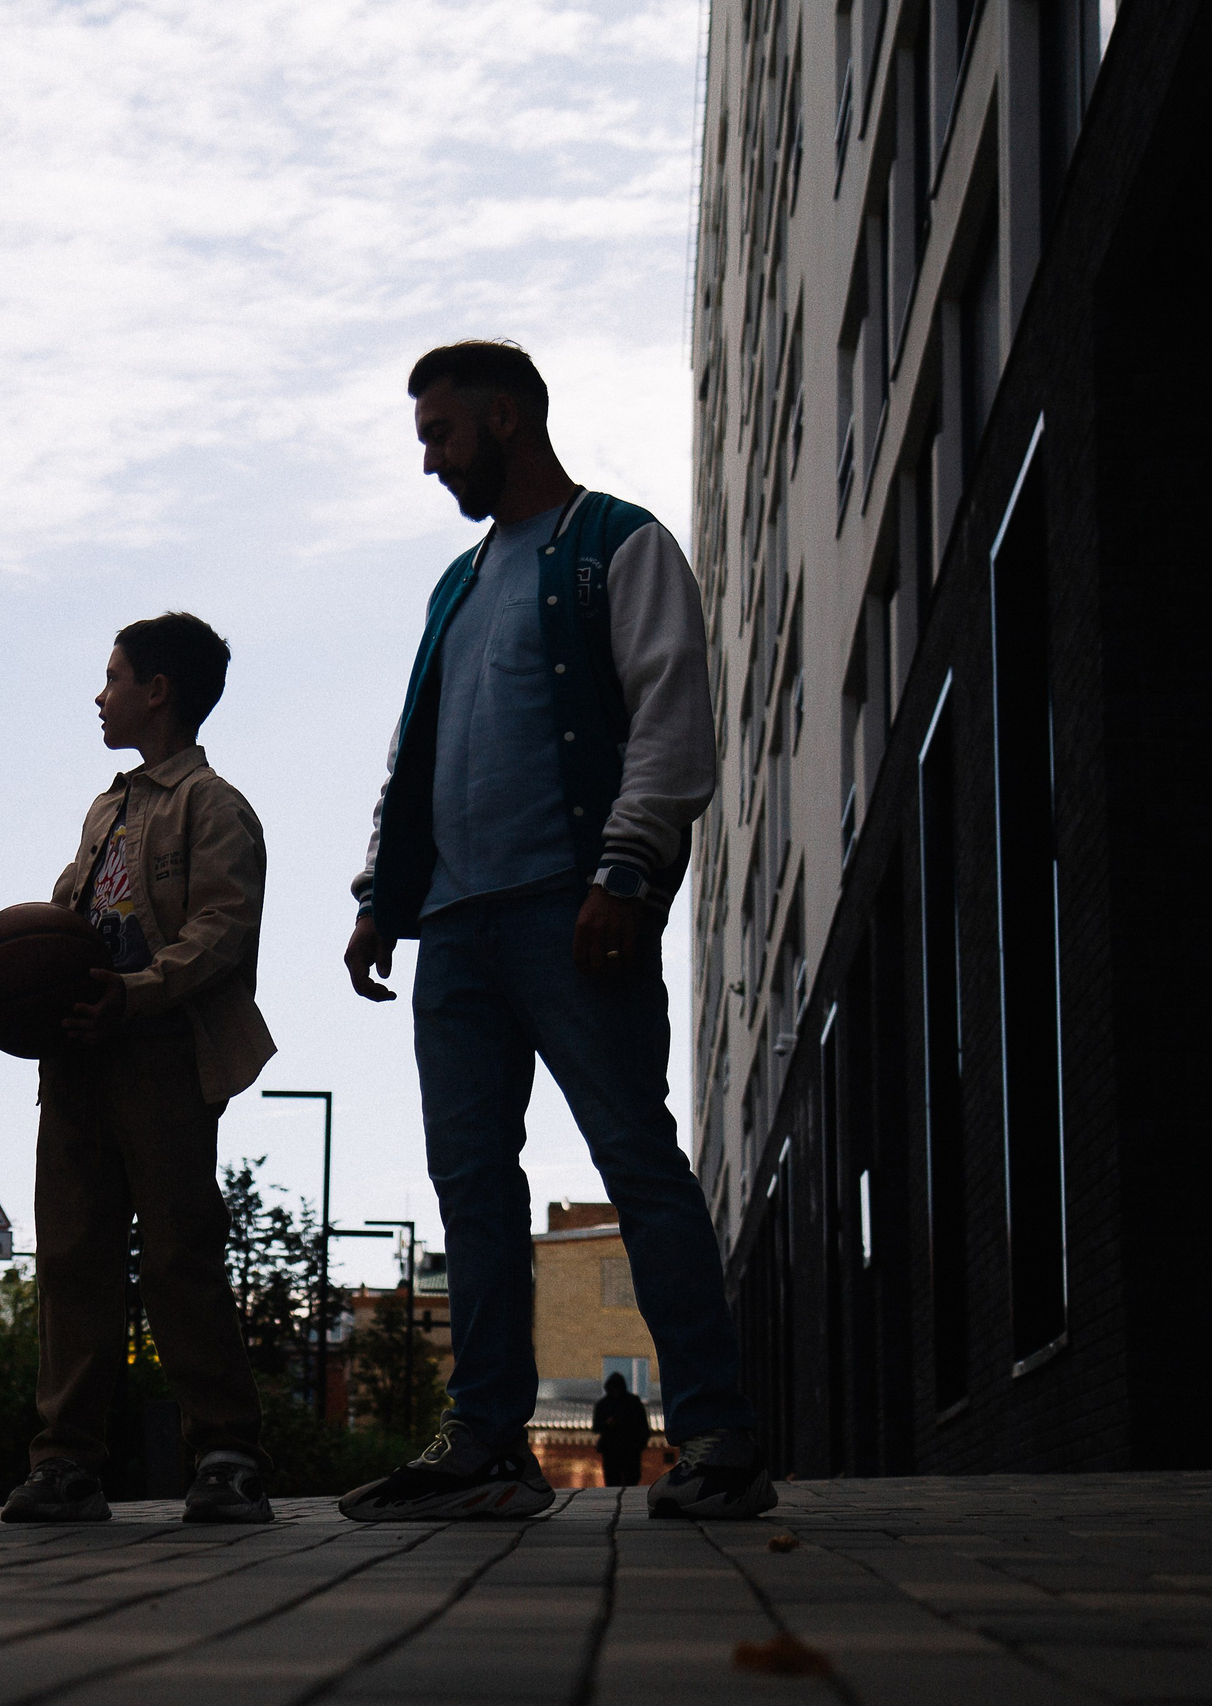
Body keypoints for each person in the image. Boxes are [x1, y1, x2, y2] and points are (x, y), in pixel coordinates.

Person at [336, 342, 776, 1523]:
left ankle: (720, 1433)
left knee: (636, 1160)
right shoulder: (455, 585)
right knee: (471, 1185)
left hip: (572, 910)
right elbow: (415, 751)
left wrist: (624, 874)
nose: (428, 461)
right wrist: (384, 893)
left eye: (439, 435)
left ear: (507, 417)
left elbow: (674, 720)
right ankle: (488, 1441)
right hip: (457, 929)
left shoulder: (618, 544)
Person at [0, 613, 276, 1525]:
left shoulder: (213, 805)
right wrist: (8, 985)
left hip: (160, 1054)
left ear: (157, 691)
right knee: (73, 1259)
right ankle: (68, 1463)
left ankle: (226, 1451)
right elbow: (64, 919)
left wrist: (138, 990)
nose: (99, 693)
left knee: (178, 1254)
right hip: (81, 1053)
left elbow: (221, 934)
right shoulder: (105, 810)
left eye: (113, 676)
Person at [592, 1371, 652, 1488]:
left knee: (631, 1481)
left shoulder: (633, 1403)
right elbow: (596, 1427)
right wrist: (607, 1423)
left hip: (630, 1449)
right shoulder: (603, 1405)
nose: (615, 1391)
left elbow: (642, 1426)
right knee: (612, 1482)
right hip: (611, 1450)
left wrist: (640, 1443)